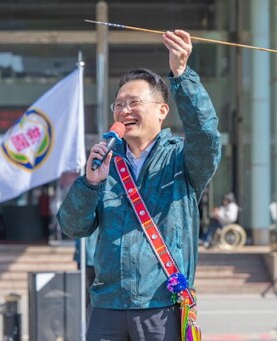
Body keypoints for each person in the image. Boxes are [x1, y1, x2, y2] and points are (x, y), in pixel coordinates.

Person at [58, 29, 221, 341]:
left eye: (134, 102)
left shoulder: (181, 161)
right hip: (107, 304)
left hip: (161, 304)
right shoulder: (106, 162)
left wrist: (181, 74)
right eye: (118, 105)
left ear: (162, 111)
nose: (124, 111)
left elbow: (206, 135)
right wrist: (89, 184)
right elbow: (72, 227)